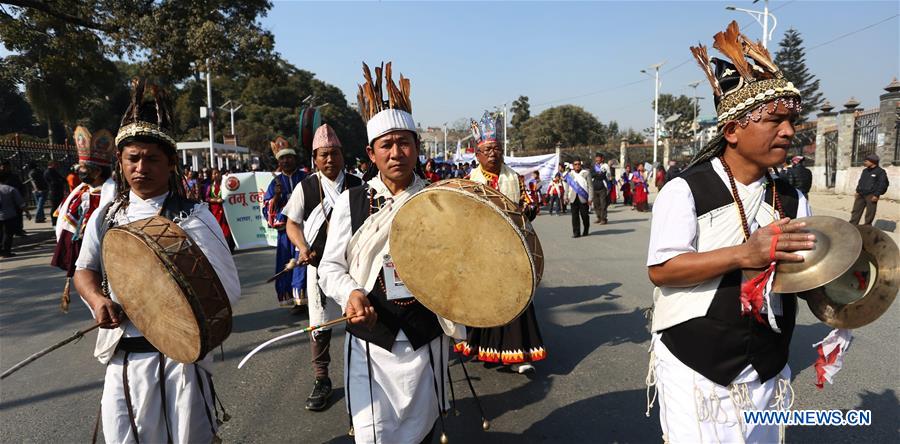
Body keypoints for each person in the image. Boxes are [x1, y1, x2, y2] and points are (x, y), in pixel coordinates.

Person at [646, 22, 816, 443]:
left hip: (766, 362)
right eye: (775, 119)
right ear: (732, 130)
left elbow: (805, 275)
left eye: (791, 120)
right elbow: (662, 270)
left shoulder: (793, 199)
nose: (789, 131)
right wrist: (744, 254)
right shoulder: (685, 189)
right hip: (695, 360)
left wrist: (851, 283)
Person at [73, 78, 240, 443]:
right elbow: (84, 271)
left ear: (171, 163)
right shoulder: (106, 217)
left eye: (152, 158)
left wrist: (168, 307)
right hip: (125, 358)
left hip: (182, 360)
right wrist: (99, 300)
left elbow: (227, 288)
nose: (141, 167)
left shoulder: (194, 216)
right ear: (120, 160)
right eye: (133, 158)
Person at [318, 62, 462, 444]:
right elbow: (329, 266)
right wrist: (351, 293)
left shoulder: (440, 199)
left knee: (423, 430)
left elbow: (459, 262)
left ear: (417, 147)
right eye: (387, 145)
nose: (397, 152)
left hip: (424, 336)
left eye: (405, 143)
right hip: (370, 339)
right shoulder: (352, 202)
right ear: (371, 152)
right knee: (372, 435)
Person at [456, 111, 546, 374]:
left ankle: (515, 355)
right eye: (488, 150)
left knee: (515, 300)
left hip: (511, 250)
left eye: (496, 149)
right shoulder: (467, 182)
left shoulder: (515, 179)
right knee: (483, 301)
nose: (493, 154)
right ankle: (487, 350)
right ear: (478, 155)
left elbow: (530, 204)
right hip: (480, 252)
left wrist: (527, 209)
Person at [284, 124, 363, 412]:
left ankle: (366, 374)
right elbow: (292, 223)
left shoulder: (359, 184)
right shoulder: (305, 187)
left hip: (356, 268)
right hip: (318, 267)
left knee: (361, 318)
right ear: (315, 159)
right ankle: (322, 379)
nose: (330, 160)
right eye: (323, 155)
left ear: (343, 155)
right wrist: (302, 247)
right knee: (320, 325)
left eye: (335, 154)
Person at [51, 126, 115, 311]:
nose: (80, 172)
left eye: (84, 169)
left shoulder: (109, 195)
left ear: (96, 172)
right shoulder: (81, 192)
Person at [263, 136, 308, 307]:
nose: (286, 161)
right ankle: (293, 299)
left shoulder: (305, 178)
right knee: (287, 264)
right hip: (284, 234)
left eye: (289, 157)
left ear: (295, 158)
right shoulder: (274, 183)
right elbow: (267, 208)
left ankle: (304, 298)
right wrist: (276, 196)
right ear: (278, 162)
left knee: (302, 262)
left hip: (303, 228)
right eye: (282, 158)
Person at [849, 153, 889, 225]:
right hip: (860, 194)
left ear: (872, 161)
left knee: (869, 213)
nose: (865, 162)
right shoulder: (865, 171)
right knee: (855, 211)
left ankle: (867, 229)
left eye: (866, 161)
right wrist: (857, 191)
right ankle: (852, 226)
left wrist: (876, 195)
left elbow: (883, 184)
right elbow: (861, 181)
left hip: (871, 195)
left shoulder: (881, 172)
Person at [205, 168, 234, 251]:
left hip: (226, 210)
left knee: (226, 228)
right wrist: (216, 200)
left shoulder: (225, 184)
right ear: (211, 176)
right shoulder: (210, 187)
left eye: (217, 173)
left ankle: (229, 246)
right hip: (215, 211)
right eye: (214, 174)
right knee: (217, 227)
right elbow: (207, 198)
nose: (216, 175)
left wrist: (229, 176)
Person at [0, 171, 26, 258]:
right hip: (9, 215)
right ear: (6, 180)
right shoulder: (10, 189)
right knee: (8, 234)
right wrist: (27, 212)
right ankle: (6, 251)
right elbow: (20, 202)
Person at [565, 159, 592, 237]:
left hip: (583, 197)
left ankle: (586, 229)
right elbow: (567, 186)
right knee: (574, 216)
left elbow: (590, 187)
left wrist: (590, 198)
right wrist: (565, 196)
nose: (577, 166)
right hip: (573, 198)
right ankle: (576, 233)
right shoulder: (570, 175)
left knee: (584, 215)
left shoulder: (586, 173)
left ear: (581, 165)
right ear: (573, 166)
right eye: (575, 164)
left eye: (578, 164)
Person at [44, 160, 66, 225]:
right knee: (54, 207)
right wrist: (60, 181)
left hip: (58, 191)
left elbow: (63, 179)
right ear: (52, 164)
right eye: (56, 164)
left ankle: (58, 220)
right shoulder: (49, 172)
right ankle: (54, 221)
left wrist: (61, 181)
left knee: (59, 206)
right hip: (54, 192)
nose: (57, 166)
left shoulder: (54, 171)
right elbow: (54, 182)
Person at [590, 153, 610, 224]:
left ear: (602, 159)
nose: (597, 159)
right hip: (594, 187)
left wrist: (597, 175)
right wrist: (597, 174)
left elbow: (604, 175)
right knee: (596, 204)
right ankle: (599, 217)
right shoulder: (593, 166)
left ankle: (604, 219)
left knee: (603, 204)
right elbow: (591, 175)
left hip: (602, 187)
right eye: (596, 158)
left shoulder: (605, 166)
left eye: (599, 158)